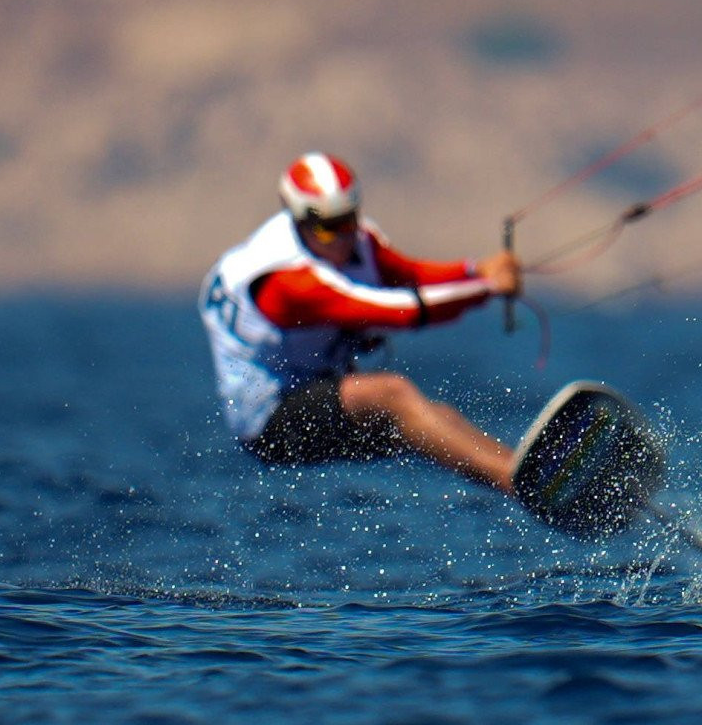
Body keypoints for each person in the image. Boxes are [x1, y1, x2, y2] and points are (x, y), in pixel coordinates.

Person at [197, 151, 524, 493]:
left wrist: (475, 270)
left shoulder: (359, 240)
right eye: (329, 229)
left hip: (317, 386)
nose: (344, 237)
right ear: (300, 221)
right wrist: (486, 288)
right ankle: (516, 483)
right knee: (392, 394)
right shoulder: (287, 281)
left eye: (349, 220)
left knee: (436, 418)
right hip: (270, 426)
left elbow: (409, 275)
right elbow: (401, 311)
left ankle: (530, 481)